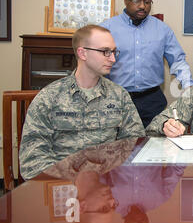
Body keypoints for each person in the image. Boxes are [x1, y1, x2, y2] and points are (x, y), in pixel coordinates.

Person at [19, 25, 145, 180]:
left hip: (107, 186)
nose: (113, 58)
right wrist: (76, 181)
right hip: (63, 189)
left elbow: (135, 144)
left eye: (113, 52)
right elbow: (32, 159)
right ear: (82, 53)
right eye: (105, 51)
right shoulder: (49, 97)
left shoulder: (119, 95)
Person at [100, 0, 193, 128]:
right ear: (125, 0)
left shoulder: (162, 29)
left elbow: (177, 61)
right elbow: (95, 64)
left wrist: (189, 87)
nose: (142, 6)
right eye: (136, 0)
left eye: (147, 1)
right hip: (116, 99)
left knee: (153, 145)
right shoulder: (107, 28)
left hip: (151, 101)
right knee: (117, 147)